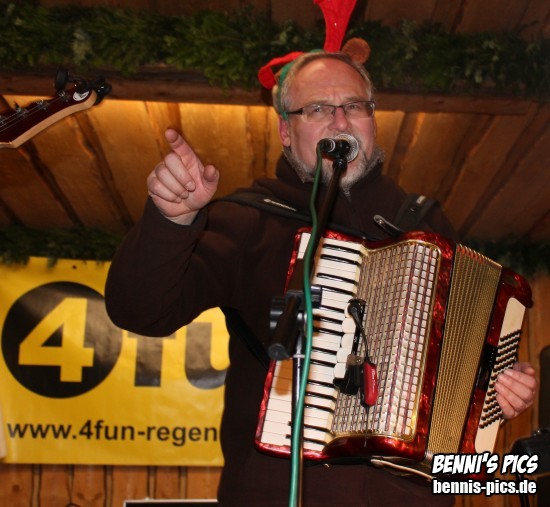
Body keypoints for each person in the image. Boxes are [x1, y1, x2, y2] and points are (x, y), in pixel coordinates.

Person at [105, 51, 537, 506]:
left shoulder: (425, 224)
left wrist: (497, 390)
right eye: (317, 109)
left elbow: (459, 368)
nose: (340, 122)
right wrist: (172, 221)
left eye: (354, 106)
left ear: (372, 121)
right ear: (285, 131)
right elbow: (139, 310)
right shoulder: (248, 220)